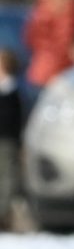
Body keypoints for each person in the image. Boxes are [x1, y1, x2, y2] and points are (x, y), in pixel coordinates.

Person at [0, 48, 23, 229]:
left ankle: (3, 214)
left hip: (6, 140)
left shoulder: (12, 90)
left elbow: (14, 119)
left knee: (7, 177)